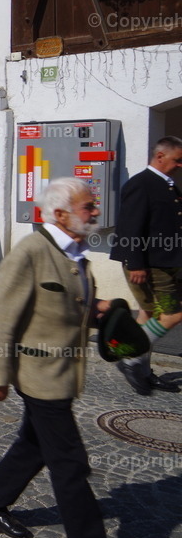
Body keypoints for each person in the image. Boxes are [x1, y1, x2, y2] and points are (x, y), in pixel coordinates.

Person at [0, 177, 107, 538]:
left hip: (64, 373)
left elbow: (73, 307)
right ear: (61, 214)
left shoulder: (75, 252)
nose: (95, 212)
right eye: (88, 207)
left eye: (93, 205)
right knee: (70, 464)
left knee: (33, 446)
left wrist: (103, 311)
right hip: (38, 376)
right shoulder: (32, 250)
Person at [109, 136, 182, 395]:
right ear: (160, 156)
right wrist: (135, 263)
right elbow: (130, 225)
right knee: (172, 314)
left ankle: (141, 369)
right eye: (178, 160)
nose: (180, 165)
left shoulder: (168, 185)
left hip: (165, 262)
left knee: (148, 315)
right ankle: (130, 357)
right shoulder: (141, 183)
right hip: (150, 265)